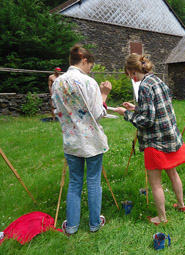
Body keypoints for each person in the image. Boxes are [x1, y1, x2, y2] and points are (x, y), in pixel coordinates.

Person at [114, 54, 185, 225]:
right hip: (170, 136)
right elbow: (157, 106)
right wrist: (136, 108)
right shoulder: (157, 80)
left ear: (131, 72)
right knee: (173, 173)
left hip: (156, 141)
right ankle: (181, 204)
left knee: (155, 183)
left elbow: (147, 121)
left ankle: (162, 218)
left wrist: (126, 114)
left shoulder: (144, 86)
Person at [52, 44, 112, 236]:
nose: (90, 70)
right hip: (91, 140)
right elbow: (97, 113)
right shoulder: (88, 82)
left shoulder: (57, 83)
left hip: (71, 139)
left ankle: (71, 226)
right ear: (84, 61)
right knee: (93, 181)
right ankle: (95, 224)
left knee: (75, 182)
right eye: (90, 66)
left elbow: (58, 111)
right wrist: (104, 95)